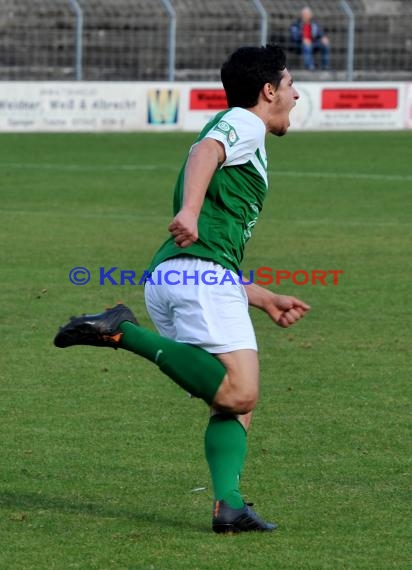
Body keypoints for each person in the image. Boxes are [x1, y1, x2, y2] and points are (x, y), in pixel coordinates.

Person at [54, 44, 310, 534]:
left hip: (188, 275)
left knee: (234, 400)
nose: (297, 95)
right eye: (292, 84)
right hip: (195, 273)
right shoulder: (245, 121)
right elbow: (204, 151)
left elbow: (217, 223)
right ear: (269, 90)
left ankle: (229, 505)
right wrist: (189, 210)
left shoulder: (247, 132)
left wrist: (262, 297)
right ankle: (122, 331)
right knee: (241, 390)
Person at [289, 6, 330, 71]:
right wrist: (302, 39)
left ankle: (325, 66)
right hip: (299, 45)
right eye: (304, 14)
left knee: (325, 44)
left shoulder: (315, 24)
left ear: (310, 15)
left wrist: (323, 37)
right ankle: (310, 66)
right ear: (301, 15)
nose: (306, 16)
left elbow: (320, 32)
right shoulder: (296, 24)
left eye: (307, 14)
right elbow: (294, 36)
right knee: (307, 45)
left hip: (313, 43)